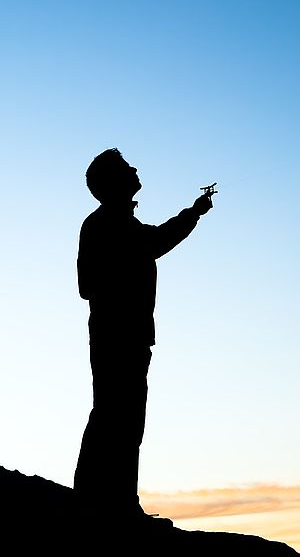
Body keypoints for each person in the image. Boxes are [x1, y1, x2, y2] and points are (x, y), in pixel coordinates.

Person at [73, 148, 213, 526]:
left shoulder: (118, 224)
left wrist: (193, 213)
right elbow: (88, 285)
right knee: (114, 417)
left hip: (130, 335)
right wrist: (192, 215)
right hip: (116, 334)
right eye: (126, 168)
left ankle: (116, 501)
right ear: (112, 182)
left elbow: (154, 241)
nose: (135, 169)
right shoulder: (103, 224)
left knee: (124, 419)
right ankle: (101, 502)